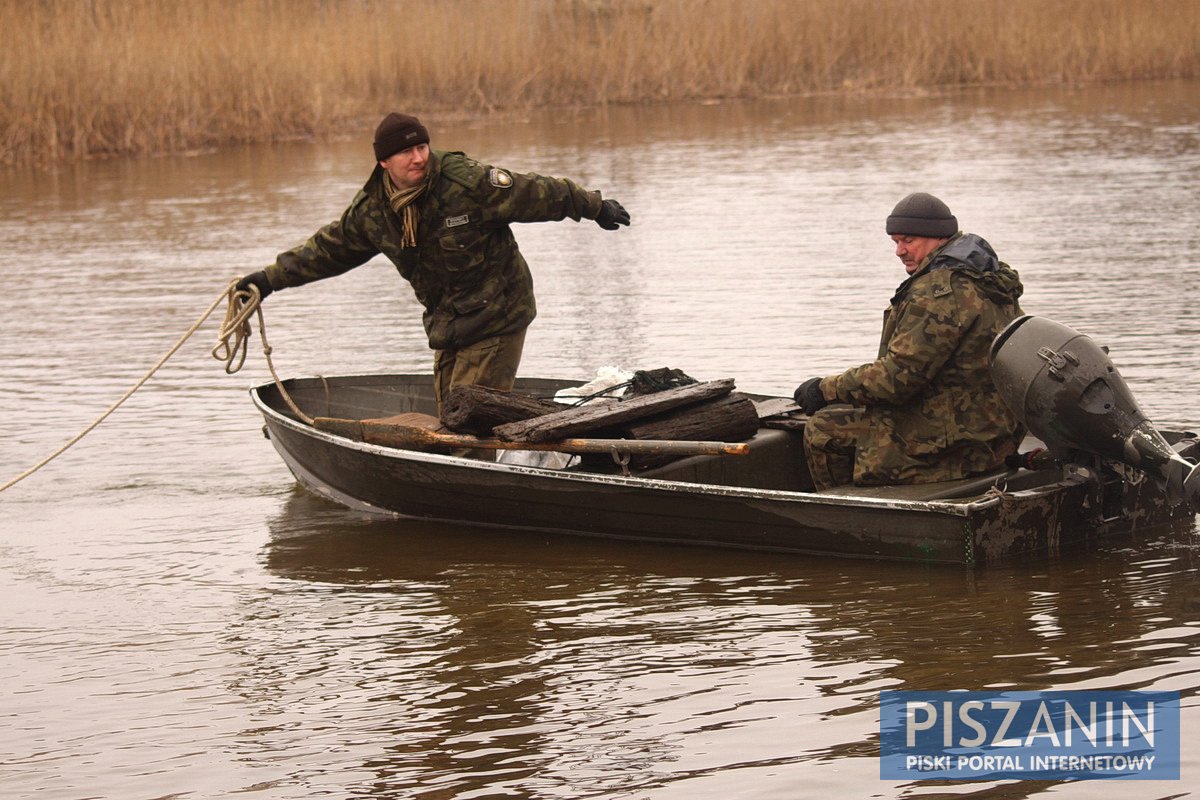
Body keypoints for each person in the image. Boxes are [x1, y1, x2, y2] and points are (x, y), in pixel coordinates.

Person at [236, 112, 630, 412]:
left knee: (470, 420)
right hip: (449, 325)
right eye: (406, 151)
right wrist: (267, 281)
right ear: (383, 163)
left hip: (499, 313)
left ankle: (473, 503)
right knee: (449, 416)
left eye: (422, 147)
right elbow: (327, 250)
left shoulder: (466, 183)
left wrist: (595, 207)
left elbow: (539, 193)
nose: (419, 157)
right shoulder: (373, 211)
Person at [793, 192, 1025, 490]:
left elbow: (896, 380)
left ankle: (848, 517)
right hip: (993, 431)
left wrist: (825, 388)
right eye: (895, 242)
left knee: (822, 429)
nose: (899, 251)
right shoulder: (989, 278)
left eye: (908, 240)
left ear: (938, 238)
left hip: (956, 446)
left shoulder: (937, 293)